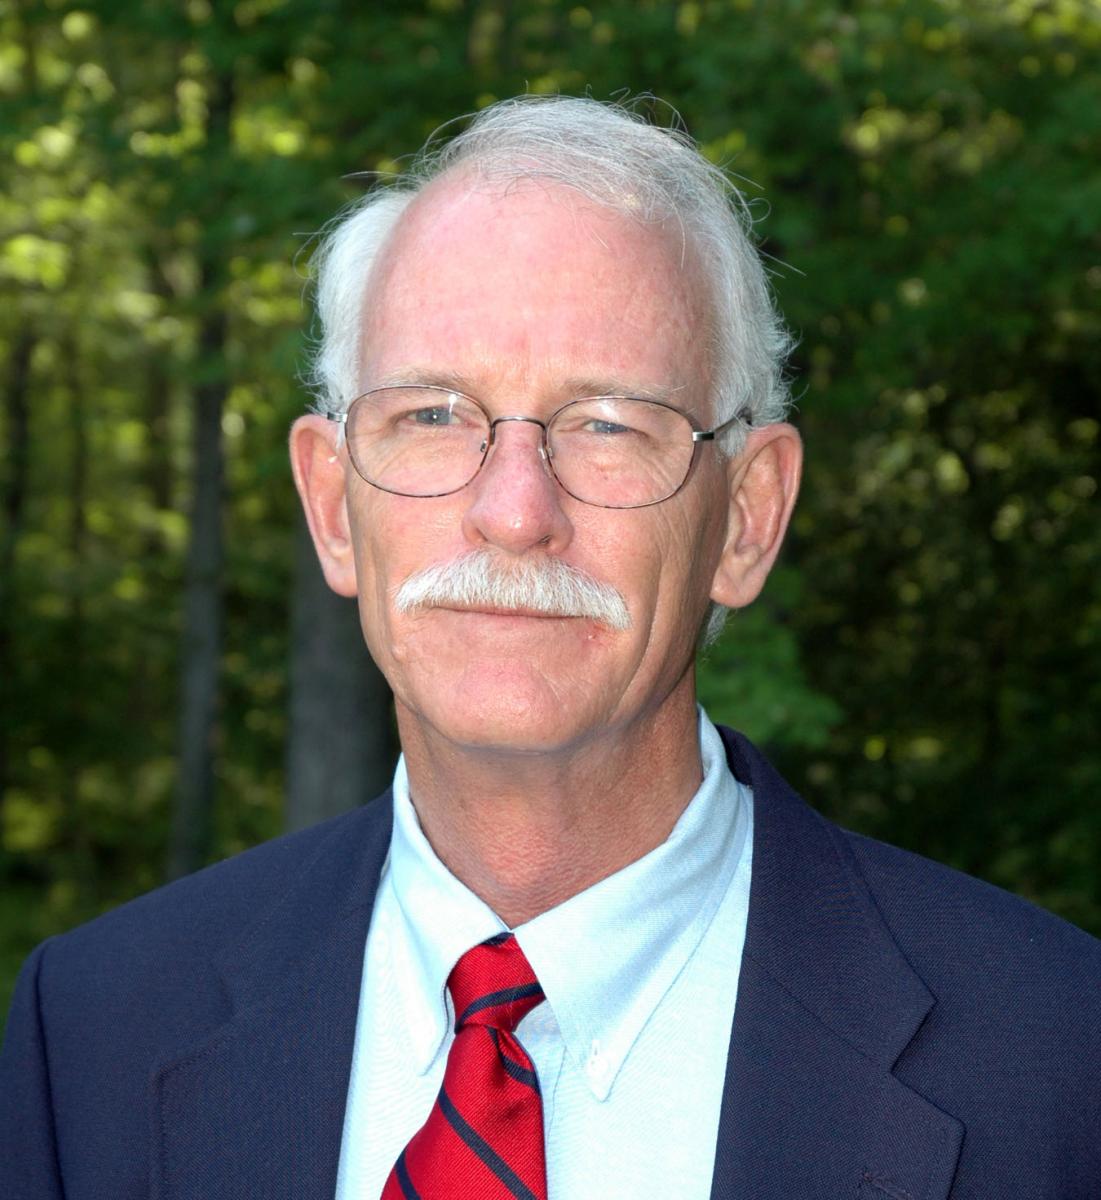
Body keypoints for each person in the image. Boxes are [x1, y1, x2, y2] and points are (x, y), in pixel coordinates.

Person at [2, 95, 1099, 1200]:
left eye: (609, 424)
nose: (515, 512)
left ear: (749, 518)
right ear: (333, 506)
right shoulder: (90, 1035)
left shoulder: (1058, 1061)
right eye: (431, 416)